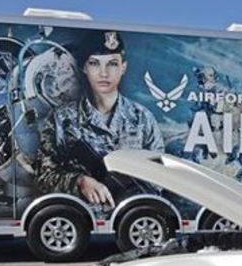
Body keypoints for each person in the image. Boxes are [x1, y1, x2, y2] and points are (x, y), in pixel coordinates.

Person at [35, 30, 164, 207]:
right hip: (82, 218)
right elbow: (44, 176)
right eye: (95, 63)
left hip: (132, 219)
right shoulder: (62, 120)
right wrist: (80, 182)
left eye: (112, 64)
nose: (104, 73)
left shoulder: (142, 118)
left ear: (123, 67)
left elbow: (160, 176)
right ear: (84, 68)